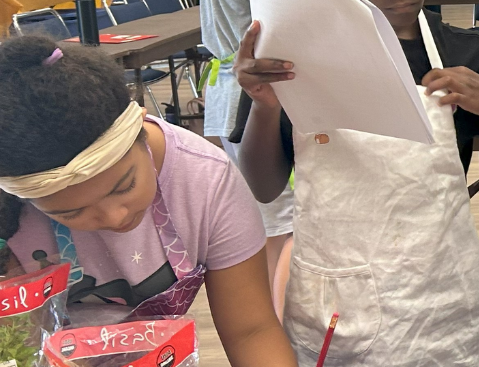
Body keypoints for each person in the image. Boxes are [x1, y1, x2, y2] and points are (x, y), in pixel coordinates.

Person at [231, 0, 479, 363]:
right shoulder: (290, 57)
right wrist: (265, 106)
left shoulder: (464, 55)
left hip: (449, 312)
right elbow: (264, 185)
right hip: (338, 315)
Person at [0, 36, 297, 366]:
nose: (115, 217)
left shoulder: (203, 179)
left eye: (124, 186)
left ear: (141, 128)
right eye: (71, 212)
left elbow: (251, 331)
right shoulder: (9, 217)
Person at [197, 0, 309, 317]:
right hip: (257, 95)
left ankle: (268, 325)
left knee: (263, 224)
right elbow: (284, 26)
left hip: (227, 91)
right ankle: (279, 332)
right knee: (283, 229)